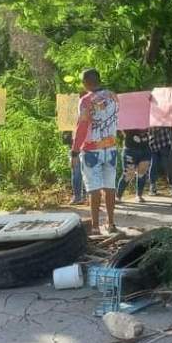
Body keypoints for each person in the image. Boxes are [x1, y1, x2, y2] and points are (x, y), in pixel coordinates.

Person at [71, 68, 120, 233]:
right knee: (109, 187)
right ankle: (111, 223)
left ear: (85, 82)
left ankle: (95, 226)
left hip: (92, 150)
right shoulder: (113, 96)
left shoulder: (86, 100)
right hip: (111, 148)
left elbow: (82, 127)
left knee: (93, 189)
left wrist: (75, 151)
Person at [116, 129, 151, 203]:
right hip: (130, 148)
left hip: (145, 148)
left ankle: (139, 195)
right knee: (128, 174)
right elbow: (122, 128)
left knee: (142, 173)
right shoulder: (129, 118)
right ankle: (118, 196)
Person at [146, 127, 172, 196]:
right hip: (153, 145)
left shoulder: (164, 117)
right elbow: (147, 131)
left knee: (167, 165)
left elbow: (169, 127)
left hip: (164, 143)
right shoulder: (149, 118)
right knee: (153, 165)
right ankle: (152, 186)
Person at [61, 130, 85, 205]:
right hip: (75, 148)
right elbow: (65, 139)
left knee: (86, 173)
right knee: (76, 173)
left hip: (88, 147)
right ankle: (78, 196)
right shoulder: (69, 121)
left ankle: (85, 196)